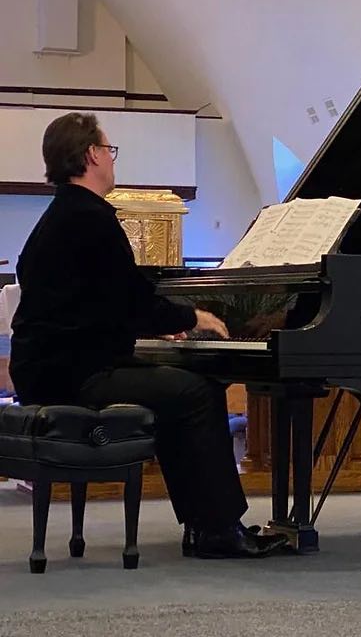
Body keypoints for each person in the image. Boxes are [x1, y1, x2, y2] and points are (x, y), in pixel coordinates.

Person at [10, 112, 288, 559]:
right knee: (194, 390)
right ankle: (216, 529)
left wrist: (156, 325)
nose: (113, 160)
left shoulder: (61, 216)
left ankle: (205, 523)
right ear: (91, 155)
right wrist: (187, 317)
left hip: (53, 368)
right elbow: (131, 300)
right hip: (74, 376)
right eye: (109, 150)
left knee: (179, 388)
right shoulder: (90, 219)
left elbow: (97, 305)